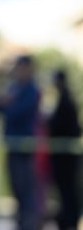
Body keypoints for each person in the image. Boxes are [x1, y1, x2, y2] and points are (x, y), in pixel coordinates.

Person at [0, 54, 41, 230]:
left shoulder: (31, 91)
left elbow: (18, 112)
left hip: (25, 147)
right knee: (17, 190)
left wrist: (8, 104)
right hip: (12, 145)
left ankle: (29, 224)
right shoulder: (12, 88)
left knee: (26, 191)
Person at [46, 69, 81, 230]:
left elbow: (64, 127)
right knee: (65, 191)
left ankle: (69, 219)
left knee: (67, 190)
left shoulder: (66, 100)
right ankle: (67, 218)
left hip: (66, 157)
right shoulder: (64, 99)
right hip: (63, 156)